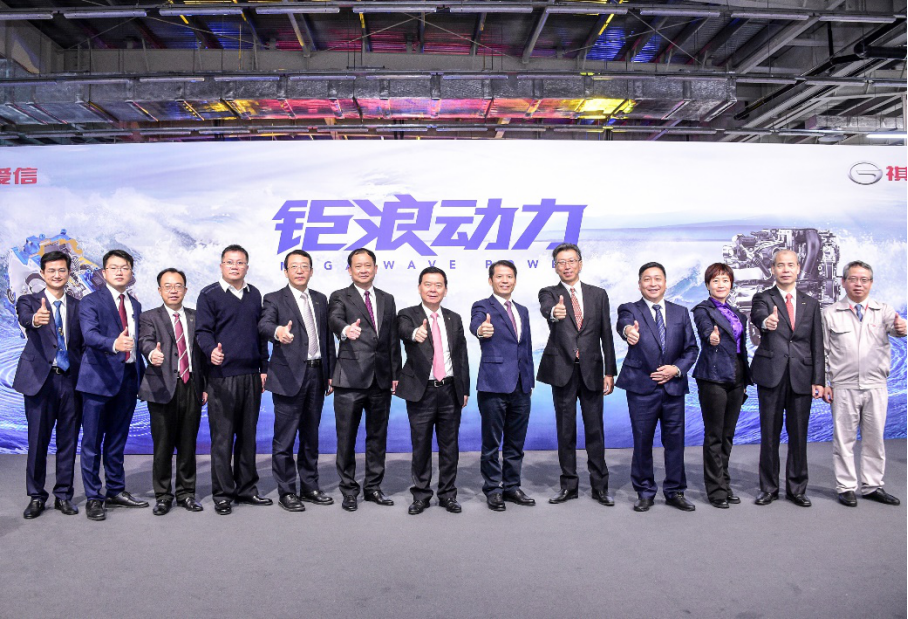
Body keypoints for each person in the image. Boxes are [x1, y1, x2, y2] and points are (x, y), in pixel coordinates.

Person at [537, 243, 617, 506]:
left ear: (580, 264)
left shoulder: (598, 294)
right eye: (561, 262)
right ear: (555, 267)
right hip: (563, 371)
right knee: (566, 431)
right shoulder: (549, 293)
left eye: (571, 261)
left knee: (595, 431)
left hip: (592, 371)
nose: (567, 266)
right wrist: (554, 312)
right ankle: (569, 486)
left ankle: (600, 487)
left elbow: (606, 334)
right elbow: (547, 308)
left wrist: (609, 371)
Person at [822, 260, 906, 507]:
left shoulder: (884, 310)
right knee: (844, 440)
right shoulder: (830, 313)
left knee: (874, 439)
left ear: (871, 283)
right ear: (843, 282)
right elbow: (822, 351)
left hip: (876, 385)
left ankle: (872, 486)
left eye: (864, 279)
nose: (858, 284)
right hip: (843, 385)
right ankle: (846, 487)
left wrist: (903, 328)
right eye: (853, 279)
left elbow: (898, 330)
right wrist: (825, 382)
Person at [616, 262, 699, 513]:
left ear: (665, 282)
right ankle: (645, 491)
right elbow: (623, 324)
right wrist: (628, 331)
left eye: (657, 279)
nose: (653, 283)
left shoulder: (680, 312)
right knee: (642, 441)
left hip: (673, 387)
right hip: (642, 387)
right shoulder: (630, 309)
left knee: (675, 442)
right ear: (639, 284)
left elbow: (691, 349)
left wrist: (676, 369)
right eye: (647, 279)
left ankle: (675, 491)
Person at [195, 245, 271, 515]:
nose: (235, 267)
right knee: (223, 439)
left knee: (248, 437)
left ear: (247, 267)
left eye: (240, 263)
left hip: (251, 376)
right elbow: (202, 331)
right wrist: (211, 352)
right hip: (221, 377)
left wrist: (264, 367)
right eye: (230, 262)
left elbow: (261, 335)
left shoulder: (254, 294)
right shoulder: (209, 295)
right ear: (221, 266)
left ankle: (247, 489)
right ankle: (223, 494)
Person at [259, 250, 336, 513]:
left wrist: (330, 372)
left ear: (311, 271)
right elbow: (264, 325)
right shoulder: (273, 298)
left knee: (310, 436)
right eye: (294, 266)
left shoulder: (320, 299)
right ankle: (287, 491)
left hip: (317, 373)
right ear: (286, 271)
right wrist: (278, 332)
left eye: (305, 266)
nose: (300, 270)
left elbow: (326, 338)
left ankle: (310, 487)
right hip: (288, 377)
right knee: (285, 439)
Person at [328, 248, 401, 512]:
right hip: (350, 378)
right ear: (349, 270)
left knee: (377, 437)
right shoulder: (339, 296)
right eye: (357, 266)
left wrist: (395, 374)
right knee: (346, 438)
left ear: (375, 268)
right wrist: (345, 329)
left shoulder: (387, 299)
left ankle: (373, 487)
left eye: (367, 265)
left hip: (380, 379)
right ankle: (349, 490)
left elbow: (392, 339)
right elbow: (334, 319)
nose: (363, 270)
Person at [77, 249, 148, 521]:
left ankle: (116, 490)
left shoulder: (135, 305)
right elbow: (89, 335)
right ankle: (94, 497)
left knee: (117, 440)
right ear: (104, 272)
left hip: (128, 379)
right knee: (92, 443)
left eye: (125, 267)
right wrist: (113, 344)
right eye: (114, 267)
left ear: (131, 273)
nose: (120, 272)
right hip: (98, 380)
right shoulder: (90, 301)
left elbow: (138, 342)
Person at [750, 249, 824, 507]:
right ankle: (768, 488)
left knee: (799, 435)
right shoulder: (763, 298)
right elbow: (758, 317)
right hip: (771, 375)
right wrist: (766, 323)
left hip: (802, 375)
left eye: (790, 265)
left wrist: (819, 379)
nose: (785, 269)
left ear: (798, 268)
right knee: (769, 435)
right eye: (780, 265)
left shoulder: (810, 303)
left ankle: (797, 489)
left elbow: (817, 343)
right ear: (772, 269)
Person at [14, 251, 84, 519]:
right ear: (42, 273)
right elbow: (25, 319)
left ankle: (63, 495)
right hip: (39, 381)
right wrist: (35, 319)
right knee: (37, 441)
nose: (57, 275)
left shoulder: (79, 306)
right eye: (51, 270)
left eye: (62, 270)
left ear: (69, 273)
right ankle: (36, 496)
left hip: (71, 381)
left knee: (68, 441)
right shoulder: (29, 301)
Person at [396, 267, 470, 515]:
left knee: (450, 446)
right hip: (422, 391)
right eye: (428, 284)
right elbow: (403, 330)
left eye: (438, 285)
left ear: (445, 290)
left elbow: (461, 356)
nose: (433, 289)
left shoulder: (454, 318)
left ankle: (448, 494)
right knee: (421, 445)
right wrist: (415, 333)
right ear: (419, 288)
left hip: (450, 389)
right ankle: (421, 495)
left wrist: (464, 388)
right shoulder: (407, 314)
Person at [137, 268, 207, 516]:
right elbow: (144, 340)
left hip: (191, 386)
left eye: (178, 286)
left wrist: (205, 386)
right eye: (168, 286)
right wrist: (151, 353)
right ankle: (163, 495)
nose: (173, 290)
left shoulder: (197, 317)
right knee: (163, 445)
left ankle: (186, 493)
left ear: (186, 290)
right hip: (162, 388)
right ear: (160, 290)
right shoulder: (149, 317)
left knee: (188, 444)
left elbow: (203, 355)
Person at [470, 260, 535, 512]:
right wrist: (481, 329)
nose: (505, 280)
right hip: (493, 384)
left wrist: (529, 380)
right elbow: (476, 324)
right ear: (491, 280)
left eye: (509, 276)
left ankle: (512, 486)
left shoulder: (523, 310)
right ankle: (493, 489)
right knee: (491, 443)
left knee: (516, 443)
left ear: (515, 280)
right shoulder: (482, 306)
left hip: (521, 386)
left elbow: (525, 348)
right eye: (499, 276)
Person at [691, 263, 753, 509]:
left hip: (737, 375)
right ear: (708, 285)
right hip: (713, 376)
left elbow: (742, 348)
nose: (720, 285)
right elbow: (705, 330)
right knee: (714, 435)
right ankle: (716, 490)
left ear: (731, 284)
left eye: (725, 280)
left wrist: (745, 380)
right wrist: (711, 337)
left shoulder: (737, 313)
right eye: (715, 281)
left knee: (727, 435)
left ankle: (725, 483)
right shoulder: (702, 310)